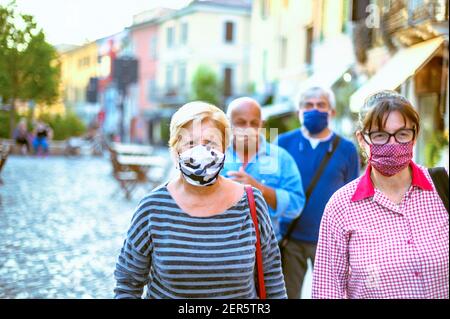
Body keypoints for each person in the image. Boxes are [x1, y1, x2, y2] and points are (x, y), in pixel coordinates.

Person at [114, 101, 287, 299]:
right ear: (175, 149)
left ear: (225, 147)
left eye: (210, 143)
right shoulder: (153, 208)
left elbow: (272, 276)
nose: (200, 152)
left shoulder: (251, 202)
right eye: (190, 143)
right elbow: (128, 282)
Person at [312, 90, 449, 299]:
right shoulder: (341, 207)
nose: (392, 144)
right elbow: (327, 290)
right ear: (361, 139)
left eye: (402, 134)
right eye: (380, 135)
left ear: (415, 134)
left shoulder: (443, 187)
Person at [275, 86, 360, 298]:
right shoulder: (282, 144)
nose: (315, 109)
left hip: (331, 240)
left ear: (332, 111)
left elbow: (353, 197)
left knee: (331, 294)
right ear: (298, 111)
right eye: (308, 105)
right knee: (287, 294)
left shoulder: (347, 149)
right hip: (290, 238)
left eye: (321, 105)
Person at [222, 97, 305, 241]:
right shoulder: (215, 157)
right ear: (228, 124)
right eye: (241, 123)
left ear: (262, 124)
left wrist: (259, 188)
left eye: (254, 123)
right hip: (222, 248)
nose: (248, 128)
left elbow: (296, 205)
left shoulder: (281, 158)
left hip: (267, 251)